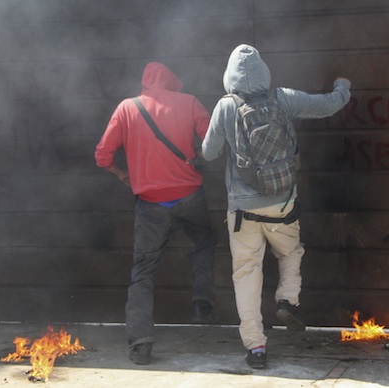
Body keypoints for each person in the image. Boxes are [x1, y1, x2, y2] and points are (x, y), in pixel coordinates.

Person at [201, 44, 351, 369]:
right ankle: (287, 299)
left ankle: (256, 347)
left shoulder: (226, 107)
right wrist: (343, 86)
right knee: (291, 252)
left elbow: (209, 152)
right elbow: (328, 105)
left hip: (242, 213)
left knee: (246, 275)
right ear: (264, 71)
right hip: (283, 204)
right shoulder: (282, 98)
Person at [95, 61, 217, 365]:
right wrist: (199, 156)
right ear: (172, 81)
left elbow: (102, 156)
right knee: (203, 241)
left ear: (145, 83)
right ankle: (202, 304)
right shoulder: (189, 102)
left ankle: (141, 343)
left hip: (150, 204)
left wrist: (122, 174)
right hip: (189, 197)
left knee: (143, 271)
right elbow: (214, 140)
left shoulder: (127, 108)